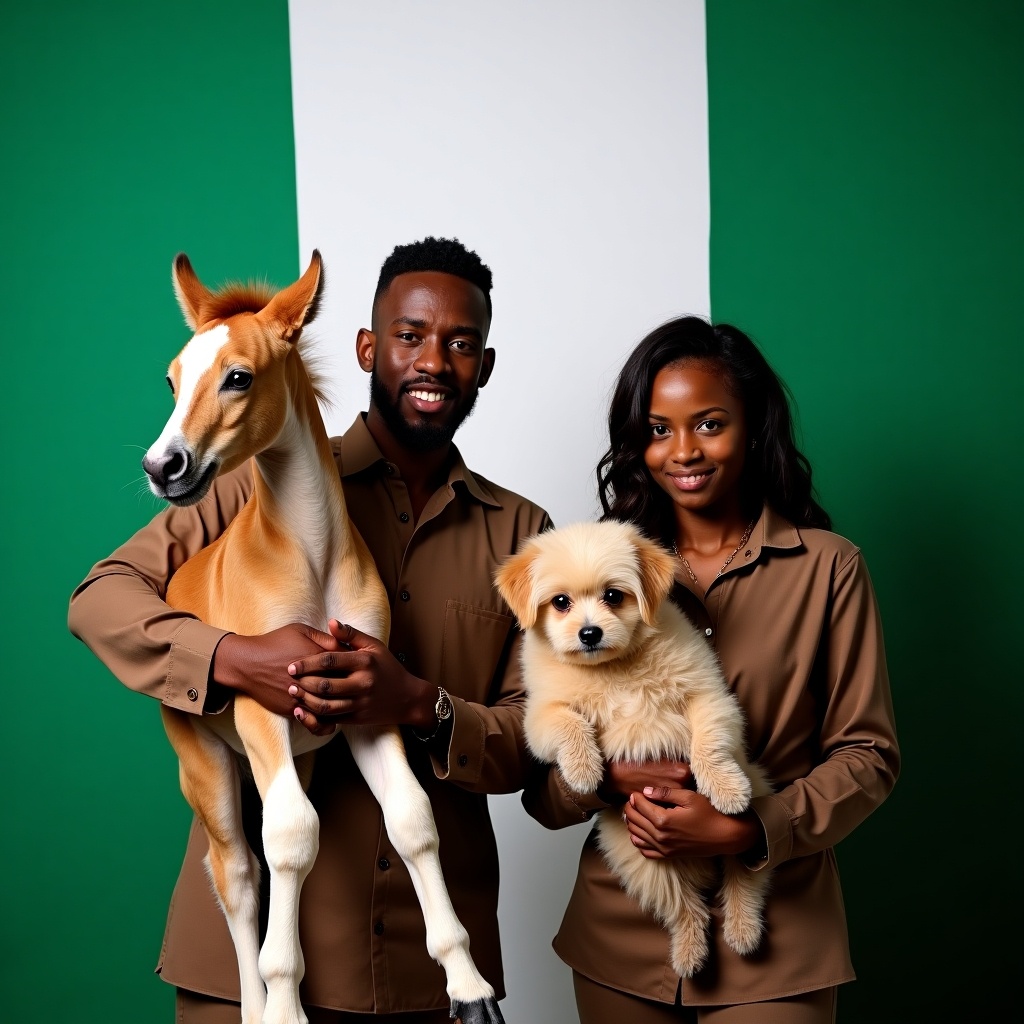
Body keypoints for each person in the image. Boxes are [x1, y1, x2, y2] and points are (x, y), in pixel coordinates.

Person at [68, 237, 550, 1024]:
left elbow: (541, 739)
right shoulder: (242, 475)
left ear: (484, 367)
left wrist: (422, 704)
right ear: (366, 347)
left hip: (419, 988)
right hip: (241, 977)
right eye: (408, 336)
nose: (432, 361)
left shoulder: (523, 534)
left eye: (460, 344)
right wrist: (233, 657)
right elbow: (98, 599)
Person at [523, 316, 899, 1023]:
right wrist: (606, 777)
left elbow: (869, 755)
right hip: (621, 934)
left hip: (777, 931)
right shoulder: (591, 576)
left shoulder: (831, 568)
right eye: (658, 429)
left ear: (753, 427)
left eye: (709, 424)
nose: (682, 451)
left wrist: (751, 828)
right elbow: (542, 793)